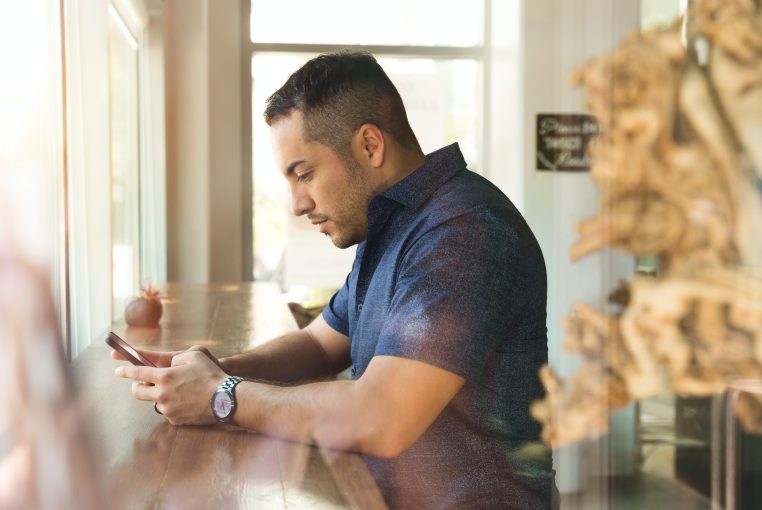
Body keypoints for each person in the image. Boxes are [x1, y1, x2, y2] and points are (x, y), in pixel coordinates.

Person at [113, 51, 558, 509]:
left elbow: (381, 417)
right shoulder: (390, 223)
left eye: (304, 174)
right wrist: (210, 371)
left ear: (369, 145)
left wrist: (222, 397)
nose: (296, 205)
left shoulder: (466, 231)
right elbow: (320, 344)